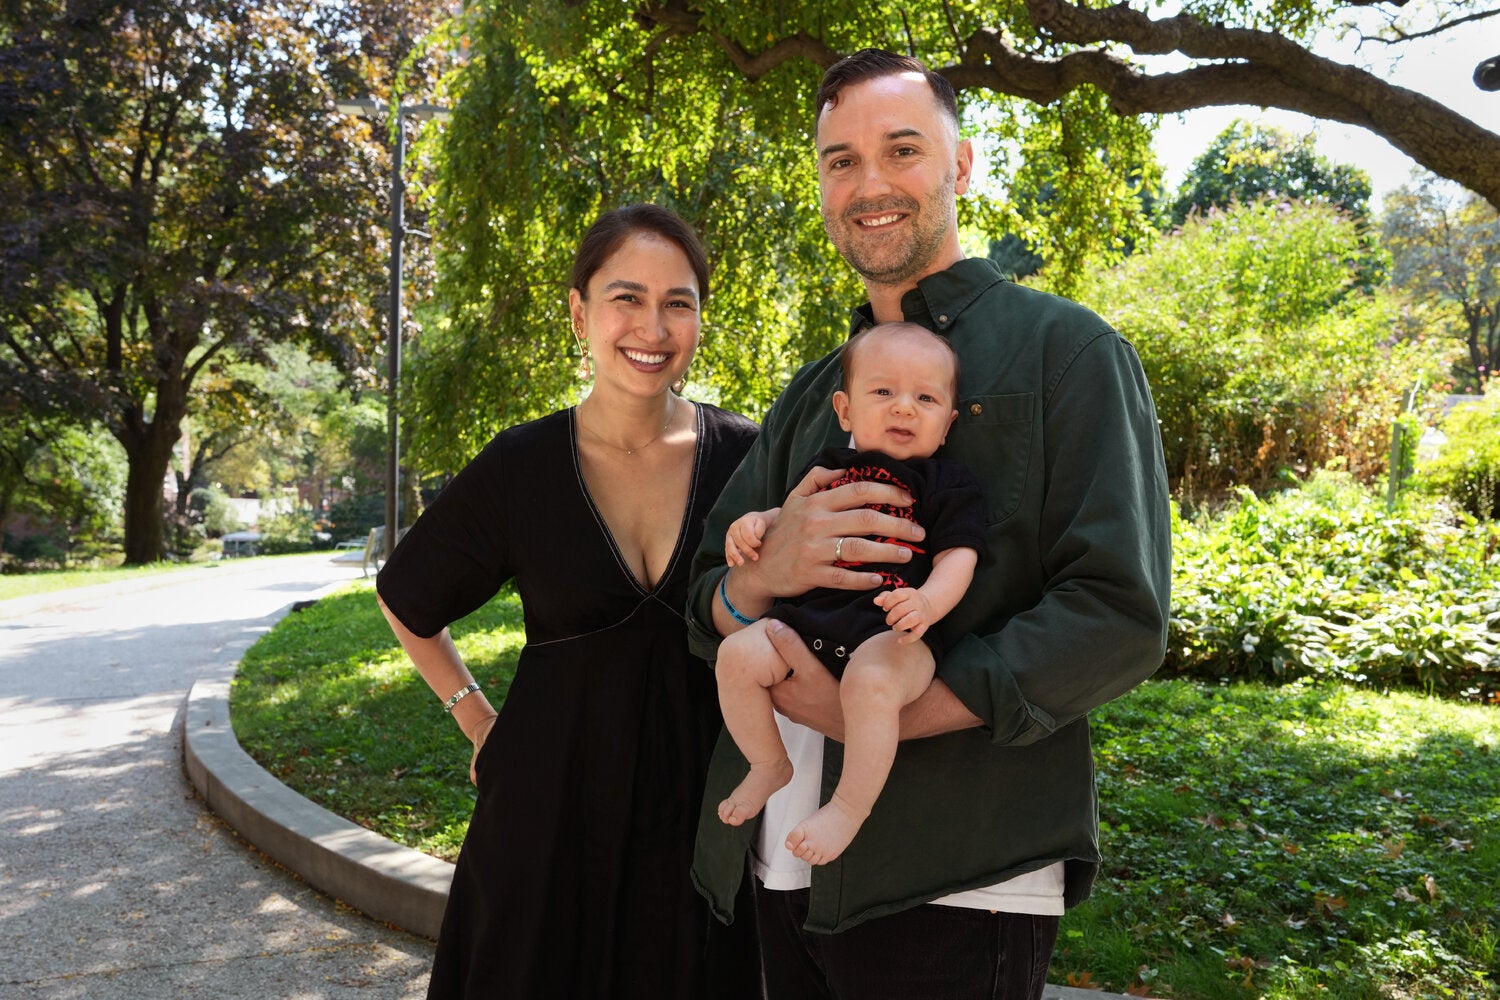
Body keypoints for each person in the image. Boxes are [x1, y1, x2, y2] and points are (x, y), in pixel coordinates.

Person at [687, 49, 1173, 999]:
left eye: (902, 150)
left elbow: (1118, 613)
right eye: (840, 161)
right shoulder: (813, 394)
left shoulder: (1068, 352)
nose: (870, 185)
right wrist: (758, 575)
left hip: (961, 874)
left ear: (961, 166)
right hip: (777, 862)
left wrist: (883, 715)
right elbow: (703, 592)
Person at [376, 204, 761, 999]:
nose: (652, 327)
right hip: (545, 817)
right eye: (627, 298)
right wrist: (477, 719)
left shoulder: (749, 459)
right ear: (581, 312)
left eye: (677, 303)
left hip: (700, 818)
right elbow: (407, 597)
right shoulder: (521, 465)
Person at [714, 321, 984, 867]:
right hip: (807, 627)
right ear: (844, 410)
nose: (904, 408)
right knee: (736, 656)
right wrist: (754, 524)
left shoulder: (945, 482)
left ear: (948, 422)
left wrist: (927, 604)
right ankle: (768, 763)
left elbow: (961, 555)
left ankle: (847, 808)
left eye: (925, 398)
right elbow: (788, 519)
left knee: (872, 681)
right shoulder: (827, 468)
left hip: (891, 633)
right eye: (883, 392)